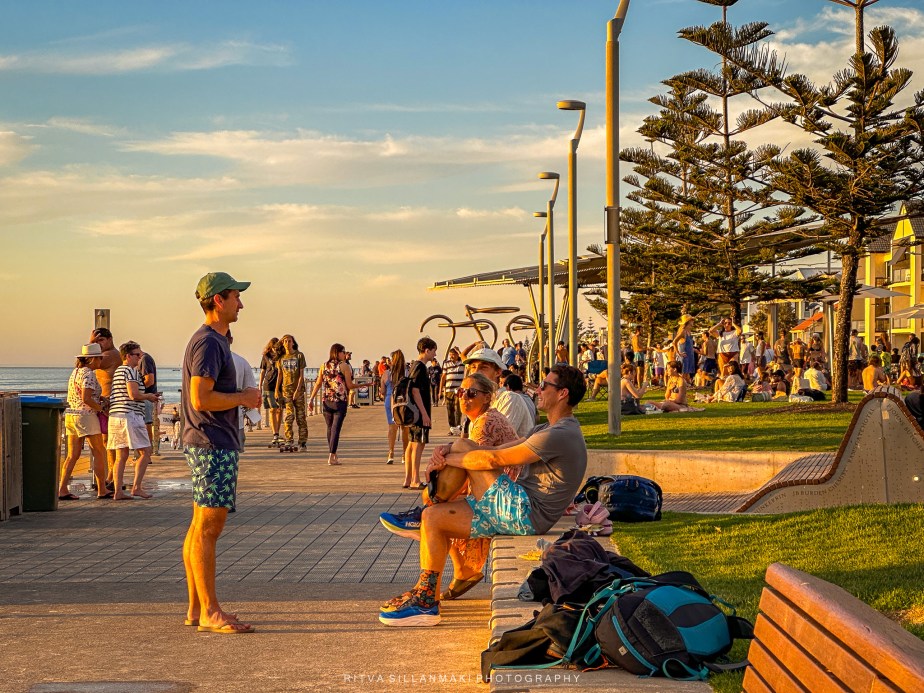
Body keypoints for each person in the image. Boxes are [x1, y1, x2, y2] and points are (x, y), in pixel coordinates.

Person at [378, 365, 588, 626]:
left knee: (464, 447)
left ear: (563, 393)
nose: (538, 389)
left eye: (545, 385)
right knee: (433, 518)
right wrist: (447, 450)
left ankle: (428, 505)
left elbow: (493, 459)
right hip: (516, 508)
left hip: (527, 515)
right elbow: (498, 449)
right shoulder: (546, 428)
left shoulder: (560, 434)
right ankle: (426, 599)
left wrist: (448, 459)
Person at [182, 271, 260, 634]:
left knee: (199, 526)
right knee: (208, 529)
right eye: (235, 297)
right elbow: (201, 397)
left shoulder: (213, 341)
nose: (241, 303)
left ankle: (197, 609)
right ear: (218, 300)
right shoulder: (210, 342)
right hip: (211, 442)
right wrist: (244, 397)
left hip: (207, 440)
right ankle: (210, 612)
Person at [107, 341, 159, 500]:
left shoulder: (118, 371)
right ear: (128, 356)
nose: (140, 357)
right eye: (137, 354)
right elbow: (133, 394)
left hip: (116, 416)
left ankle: (118, 491)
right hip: (130, 415)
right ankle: (136, 487)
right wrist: (149, 396)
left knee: (121, 455)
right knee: (146, 452)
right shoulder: (131, 371)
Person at [59, 343, 108, 500]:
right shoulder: (89, 374)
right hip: (86, 416)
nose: (101, 361)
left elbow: (81, 394)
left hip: (71, 415)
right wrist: (101, 408)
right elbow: (86, 398)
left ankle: (62, 488)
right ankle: (102, 489)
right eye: (100, 358)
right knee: (98, 451)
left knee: (72, 455)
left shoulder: (75, 372)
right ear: (92, 359)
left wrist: (98, 397)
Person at [307, 343, 366, 465]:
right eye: (343, 352)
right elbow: (349, 385)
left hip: (327, 401)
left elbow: (318, 383)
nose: (345, 354)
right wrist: (363, 385)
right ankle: (332, 455)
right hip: (340, 401)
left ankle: (333, 454)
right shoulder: (344, 366)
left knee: (330, 428)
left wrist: (311, 399)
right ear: (338, 352)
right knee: (336, 429)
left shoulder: (324, 365)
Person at [462, 345, 533, 438]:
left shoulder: (509, 399)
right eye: (473, 367)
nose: (476, 372)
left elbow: (494, 439)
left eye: (483, 367)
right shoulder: (481, 402)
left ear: (498, 372)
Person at [403, 337, 438, 489]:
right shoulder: (420, 367)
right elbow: (415, 391)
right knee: (418, 444)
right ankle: (415, 479)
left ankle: (408, 478)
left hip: (413, 412)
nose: (435, 354)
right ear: (427, 350)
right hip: (419, 412)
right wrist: (424, 414)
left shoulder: (413, 366)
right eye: (434, 351)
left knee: (411, 444)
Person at [89, 327, 121, 489]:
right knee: (106, 441)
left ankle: (112, 477)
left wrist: (90, 343)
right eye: (96, 342)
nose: (98, 344)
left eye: (100, 340)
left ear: (110, 339)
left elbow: (88, 363)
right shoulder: (103, 355)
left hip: (111, 404)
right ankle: (110, 477)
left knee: (111, 442)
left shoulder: (111, 355)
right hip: (103, 404)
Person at [275, 334, 308, 452]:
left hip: (298, 391)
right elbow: (280, 375)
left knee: (300, 417)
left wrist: (298, 390)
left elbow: (301, 375)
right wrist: (276, 390)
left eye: (289, 341)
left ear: (293, 343)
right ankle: (289, 439)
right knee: (289, 416)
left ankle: (302, 442)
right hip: (286, 391)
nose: (287, 343)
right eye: (285, 341)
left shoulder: (299, 355)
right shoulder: (281, 358)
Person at [227, 333, 259, 451]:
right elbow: (251, 391)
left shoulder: (208, 361)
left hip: (214, 422)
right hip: (236, 419)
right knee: (235, 454)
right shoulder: (241, 361)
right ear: (231, 340)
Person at [383, 349, 409, 466]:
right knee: (405, 428)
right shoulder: (407, 373)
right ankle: (404, 454)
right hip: (404, 401)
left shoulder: (387, 373)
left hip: (390, 400)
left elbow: (382, 391)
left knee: (392, 427)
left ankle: (391, 453)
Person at [259, 338, 283, 446]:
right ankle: (275, 434)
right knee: (273, 409)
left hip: (280, 385)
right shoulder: (266, 356)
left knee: (280, 409)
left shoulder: (281, 356)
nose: (275, 349)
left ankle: (277, 431)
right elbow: (263, 371)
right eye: (273, 346)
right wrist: (259, 385)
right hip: (268, 385)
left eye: (277, 347)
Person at [138, 349, 160, 457]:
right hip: (145, 396)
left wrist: (137, 391)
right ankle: (146, 454)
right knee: (146, 425)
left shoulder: (144, 359)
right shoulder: (144, 358)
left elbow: (150, 380)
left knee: (146, 425)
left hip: (146, 396)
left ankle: (146, 454)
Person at [440, 347, 465, 435]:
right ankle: (452, 428)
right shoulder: (446, 363)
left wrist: (459, 351)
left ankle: (458, 427)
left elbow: (465, 359)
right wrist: (440, 390)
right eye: (450, 355)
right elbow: (443, 377)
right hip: (448, 390)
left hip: (459, 390)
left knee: (458, 409)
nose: (451, 356)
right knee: (450, 409)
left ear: (457, 355)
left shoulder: (462, 363)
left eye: (453, 355)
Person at [674, 315, 697, 384]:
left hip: (689, 355)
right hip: (684, 356)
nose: (693, 321)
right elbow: (674, 342)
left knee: (687, 374)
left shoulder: (689, 331)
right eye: (691, 320)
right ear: (688, 322)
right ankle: (680, 387)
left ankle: (687, 386)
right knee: (683, 374)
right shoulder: (683, 331)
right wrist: (678, 353)